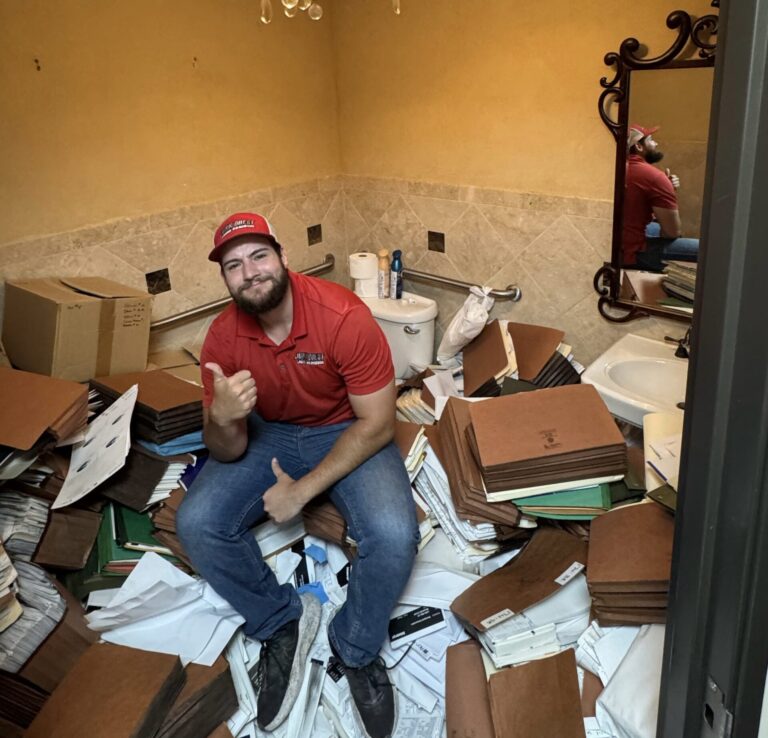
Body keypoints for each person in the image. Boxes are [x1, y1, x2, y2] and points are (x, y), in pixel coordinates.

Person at [176, 213, 419, 738]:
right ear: (226, 279)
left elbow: (379, 423)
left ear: (284, 259)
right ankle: (281, 623)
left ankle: (354, 647)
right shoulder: (222, 338)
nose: (250, 272)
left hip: (346, 426)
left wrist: (303, 492)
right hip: (269, 432)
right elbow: (227, 447)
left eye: (259, 256)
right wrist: (220, 417)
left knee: (395, 534)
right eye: (234, 265)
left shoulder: (343, 316)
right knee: (197, 523)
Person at [622, 124, 699, 271]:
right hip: (632, 254)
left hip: (614, 245)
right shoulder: (654, 176)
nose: (656, 143)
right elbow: (672, 232)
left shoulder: (619, 168)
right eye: (651, 140)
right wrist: (666, 188)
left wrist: (666, 189)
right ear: (639, 147)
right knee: (705, 251)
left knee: (655, 226)